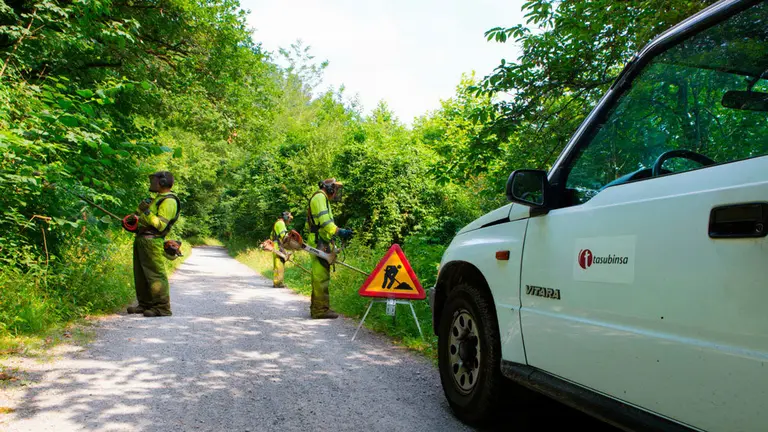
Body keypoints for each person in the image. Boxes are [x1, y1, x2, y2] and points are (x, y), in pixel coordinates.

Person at [126, 171, 181, 317]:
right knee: (141, 275)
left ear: (162, 182)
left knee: (155, 275)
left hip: (152, 241)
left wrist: (146, 211)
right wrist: (135, 215)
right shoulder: (156, 199)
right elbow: (141, 217)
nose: (151, 183)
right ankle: (145, 304)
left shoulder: (169, 201)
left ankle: (162, 308)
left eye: (154, 180)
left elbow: (160, 225)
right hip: (142, 239)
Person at [305, 178, 353, 319]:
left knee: (321, 275)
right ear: (330, 188)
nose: (337, 192)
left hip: (321, 239)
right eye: (336, 189)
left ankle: (318, 307)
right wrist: (339, 231)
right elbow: (325, 222)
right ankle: (320, 310)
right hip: (318, 241)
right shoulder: (320, 197)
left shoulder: (322, 198)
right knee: (321, 277)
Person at [271, 211, 293, 287]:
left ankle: (277, 282)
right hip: (278, 246)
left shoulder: (278, 222)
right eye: (289, 218)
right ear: (286, 217)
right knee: (279, 263)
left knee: (278, 264)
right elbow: (284, 236)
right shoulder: (281, 223)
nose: (290, 220)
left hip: (276, 245)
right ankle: (278, 283)